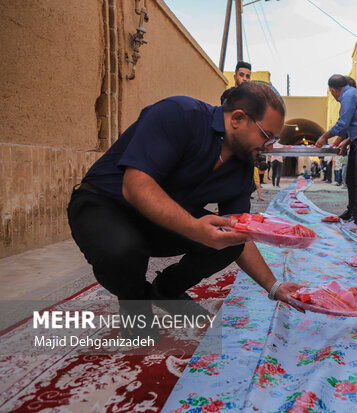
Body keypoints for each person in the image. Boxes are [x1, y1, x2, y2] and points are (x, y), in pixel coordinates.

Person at [68, 82, 303, 340]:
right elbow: (136, 186)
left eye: (274, 140)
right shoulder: (179, 114)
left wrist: (274, 286)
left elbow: (239, 230)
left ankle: (166, 290)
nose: (269, 146)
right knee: (121, 251)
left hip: (162, 221)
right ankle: (136, 300)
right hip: (104, 204)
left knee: (231, 242)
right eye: (266, 135)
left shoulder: (241, 165)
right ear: (238, 118)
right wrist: (194, 228)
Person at [315, 74, 357, 230]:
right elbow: (351, 126)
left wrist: (323, 137)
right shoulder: (351, 95)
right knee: (352, 179)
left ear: (333, 90)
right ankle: (353, 212)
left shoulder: (348, 95)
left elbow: (343, 123)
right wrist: (340, 143)